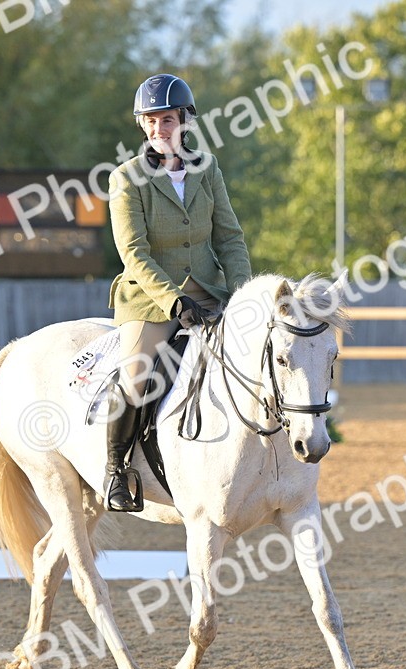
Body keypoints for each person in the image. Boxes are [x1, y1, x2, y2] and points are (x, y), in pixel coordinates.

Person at [104, 72, 252, 512]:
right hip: (151, 301)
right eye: (149, 122)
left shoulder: (207, 169)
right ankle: (116, 470)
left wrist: (241, 295)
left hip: (208, 291)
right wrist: (174, 301)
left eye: (166, 120)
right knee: (135, 377)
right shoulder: (126, 178)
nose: (157, 130)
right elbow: (134, 252)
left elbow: (229, 238)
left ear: (185, 120)